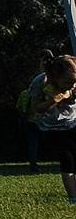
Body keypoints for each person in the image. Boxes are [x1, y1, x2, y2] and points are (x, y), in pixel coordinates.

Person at [33, 54, 76, 206]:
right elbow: (37, 108)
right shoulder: (40, 83)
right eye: (68, 82)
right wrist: (55, 99)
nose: (72, 85)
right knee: (68, 161)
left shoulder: (74, 84)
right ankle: (73, 199)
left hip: (73, 122)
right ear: (56, 77)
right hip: (52, 128)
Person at [21, 49, 55, 174]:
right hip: (37, 119)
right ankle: (34, 165)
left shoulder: (28, 91)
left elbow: (23, 108)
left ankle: (34, 165)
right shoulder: (39, 82)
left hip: (35, 119)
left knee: (34, 143)